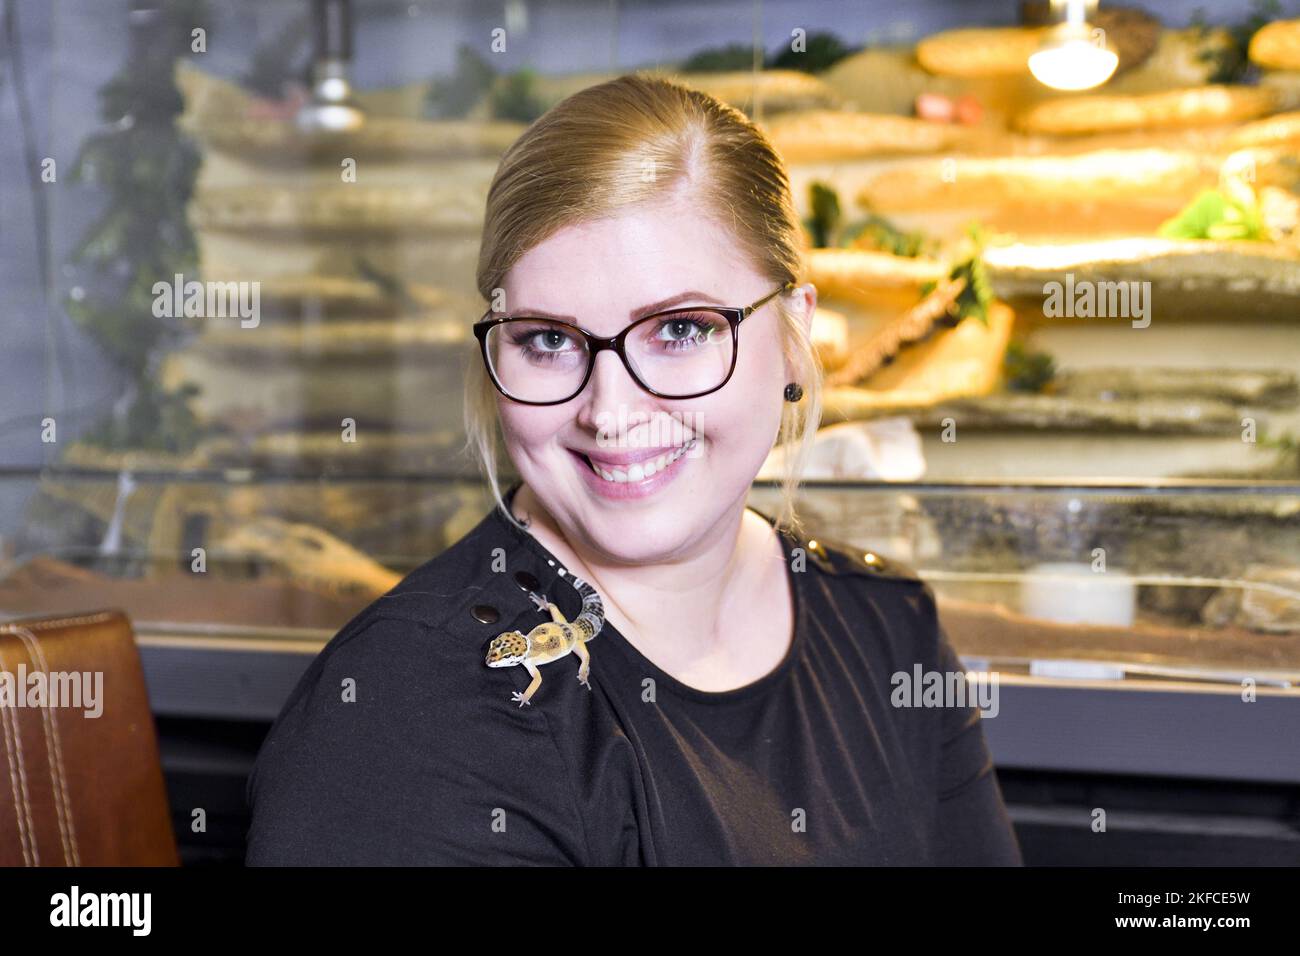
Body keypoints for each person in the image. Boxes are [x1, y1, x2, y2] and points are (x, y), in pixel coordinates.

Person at [245, 72, 1022, 866]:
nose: (608, 411)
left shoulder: (888, 628)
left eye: (680, 329)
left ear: (795, 335)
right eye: (548, 339)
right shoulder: (407, 717)